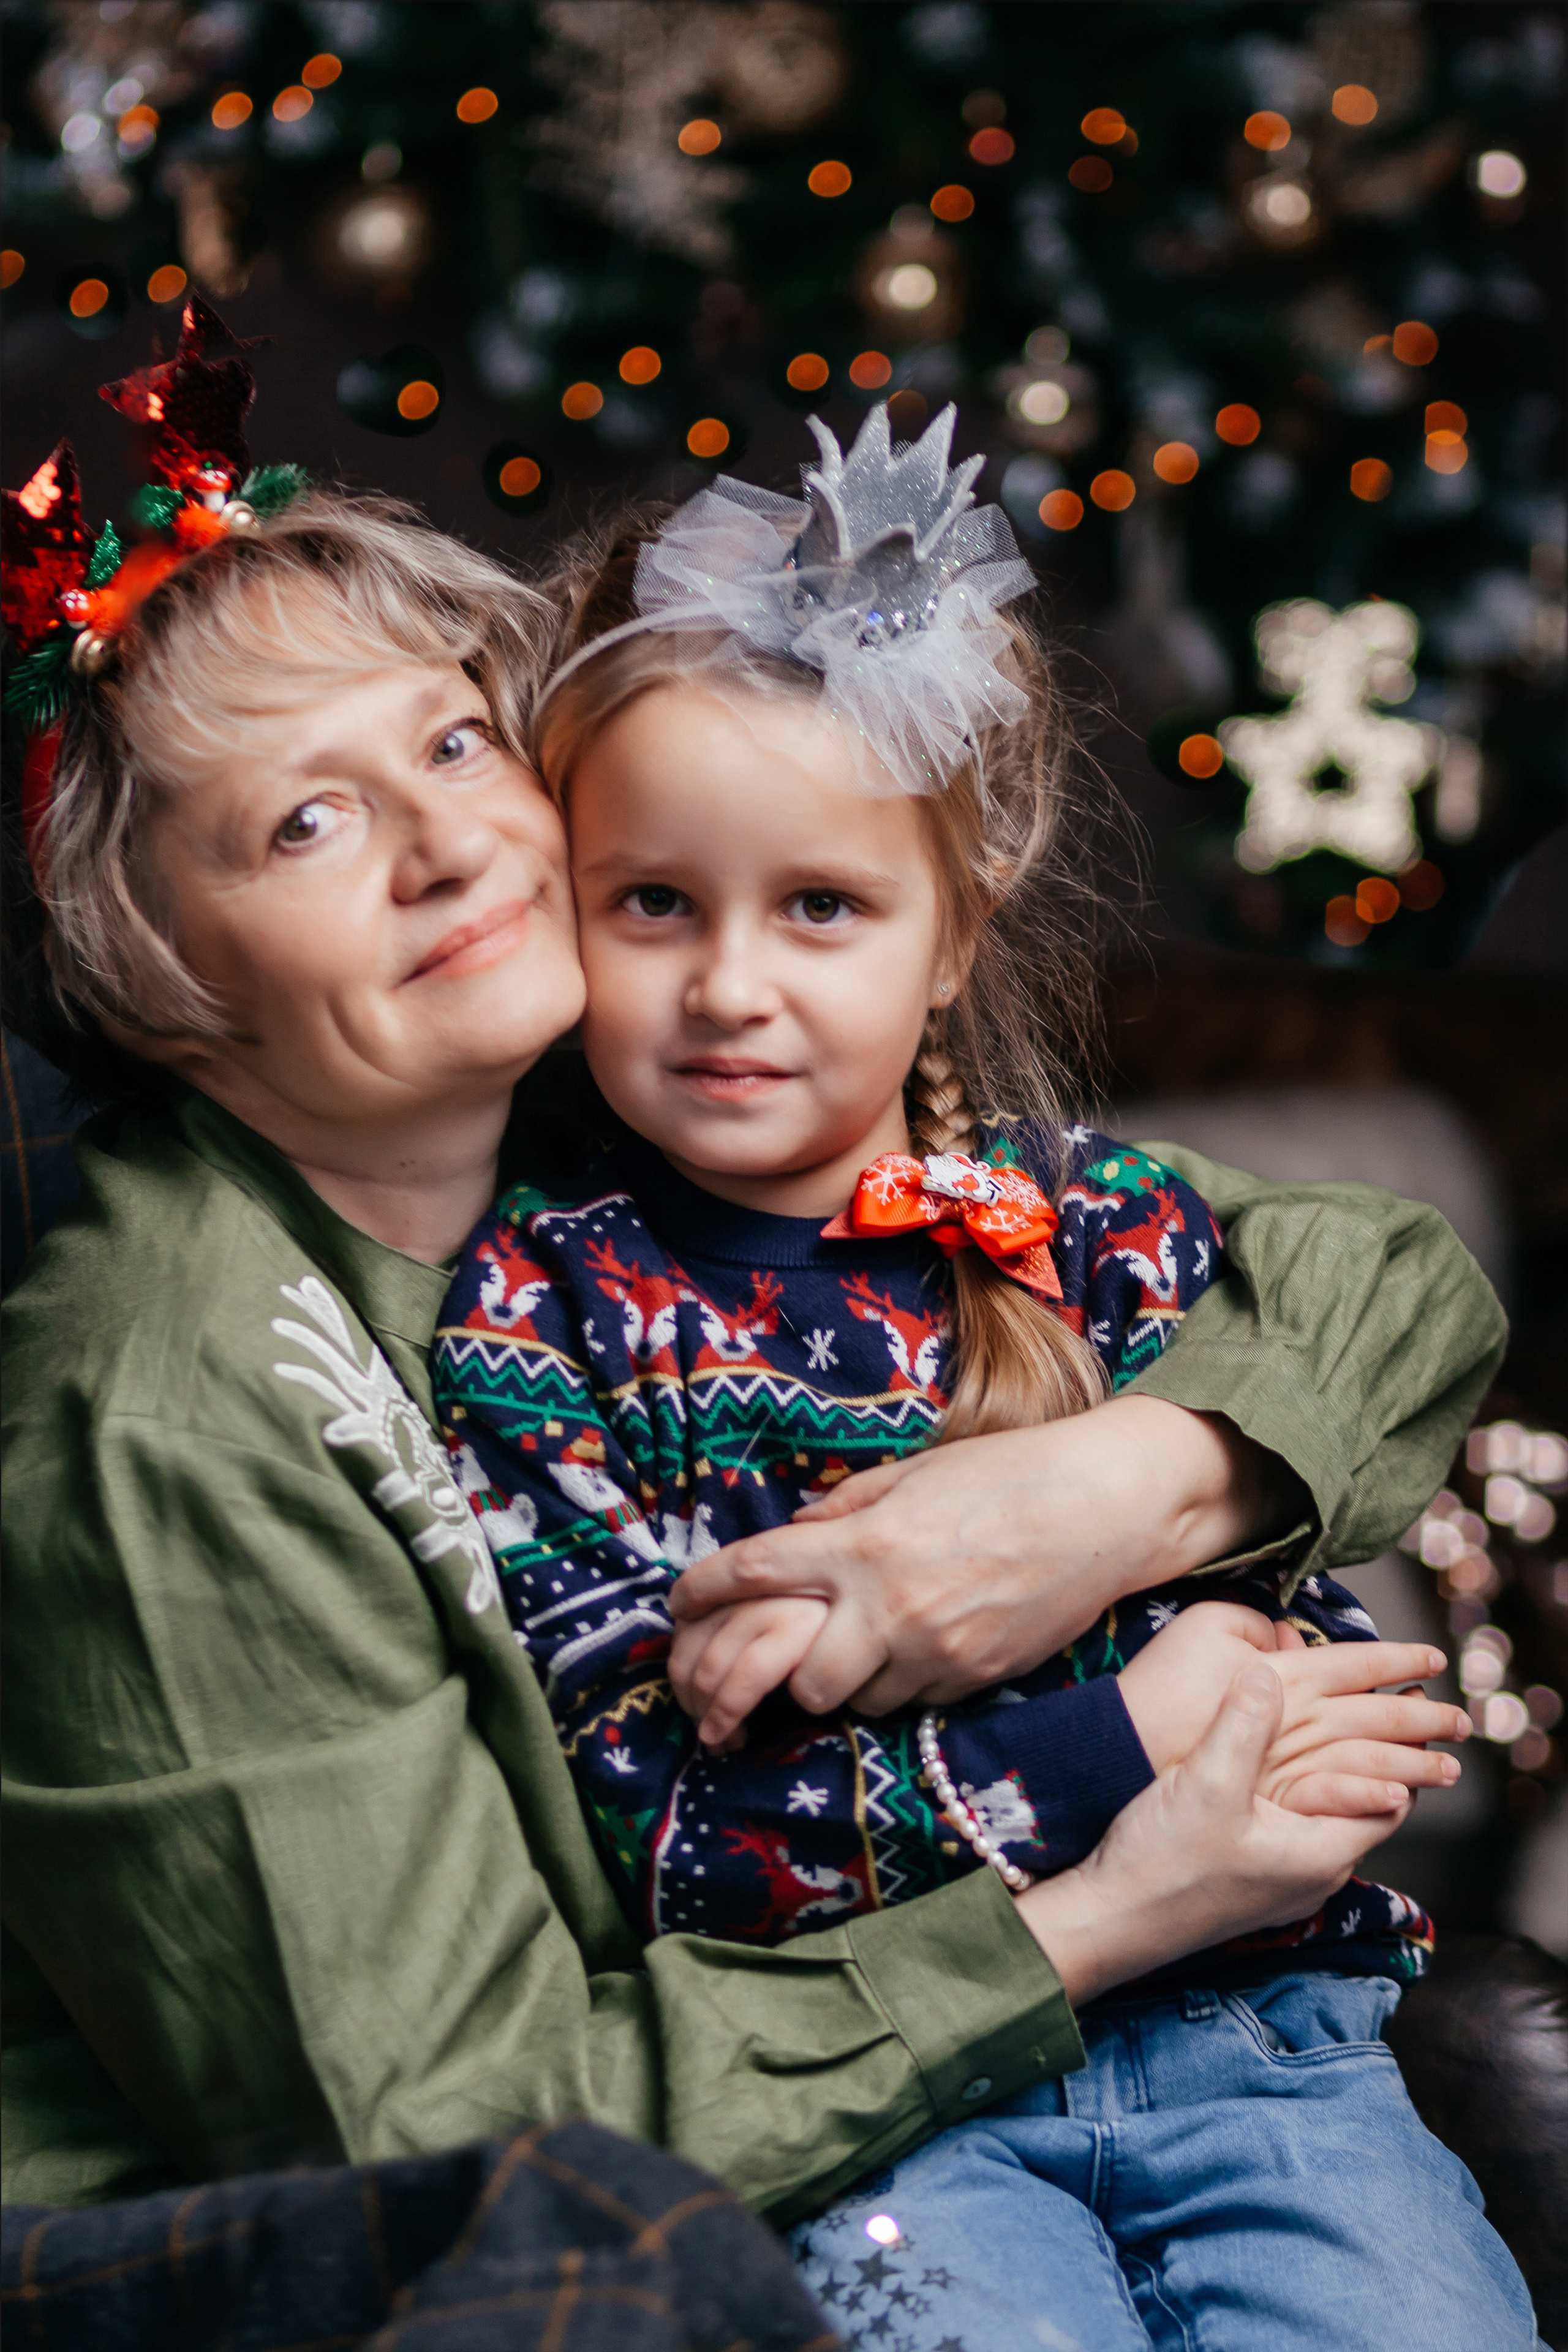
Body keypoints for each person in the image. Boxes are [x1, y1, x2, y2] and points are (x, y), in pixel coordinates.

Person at [0, 319, 1509, 2304]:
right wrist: (1107, 1894)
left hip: (1073, 2068)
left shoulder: (610, 1103)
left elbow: (1377, 1277)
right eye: (305, 822)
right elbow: (454, 2144)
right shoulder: (165, 1398)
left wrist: (1103, 1497)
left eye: (453, 743)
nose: (450, 843)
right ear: (157, 956)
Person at [425, 410, 1537, 2348]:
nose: (734, 986)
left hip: (1271, 2049)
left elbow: (1331, 1662)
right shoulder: (546, 1316)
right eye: (655, 904)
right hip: (895, 2106)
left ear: (958, 924)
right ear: (560, 907)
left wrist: (1181, 1586)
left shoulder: (1096, 1229)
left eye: (823, 907)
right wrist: (1121, 1738)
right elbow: (674, 1836)